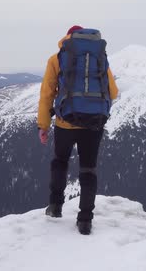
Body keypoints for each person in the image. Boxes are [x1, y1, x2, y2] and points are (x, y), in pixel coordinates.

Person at [37, 25, 118, 235]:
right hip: (93, 124)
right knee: (88, 170)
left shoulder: (57, 59)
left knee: (60, 161)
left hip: (66, 122)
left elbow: (47, 94)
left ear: (68, 38)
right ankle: (85, 220)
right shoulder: (99, 58)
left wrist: (44, 125)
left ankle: (55, 207)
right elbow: (113, 91)